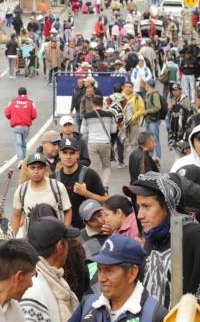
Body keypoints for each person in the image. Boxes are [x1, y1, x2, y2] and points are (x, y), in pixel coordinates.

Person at [123, 172, 200, 308]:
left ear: (167, 207)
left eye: (147, 206)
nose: (140, 215)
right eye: (138, 206)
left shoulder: (192, 236)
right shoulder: (153, 237)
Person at [68, 235, 169, 322]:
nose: (101, 279)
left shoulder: (155, 315)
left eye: (109, 271)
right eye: (99, 270)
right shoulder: (88, 304)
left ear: (132, 272)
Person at [21, 217, 80, 322]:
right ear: (60, 247)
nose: (68, 246)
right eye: (66, 241)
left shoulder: (49, 279)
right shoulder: (33, 288)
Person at [11, 153, 72, 236]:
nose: (36, 171)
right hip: (31, 240)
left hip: (55, 238)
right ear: (27, 169)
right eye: (32, 168)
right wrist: (12, 238)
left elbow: (68, 210)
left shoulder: (58, 187)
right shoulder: (21, 190)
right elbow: (16, 216)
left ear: (45, 169)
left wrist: (64, 233)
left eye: (40, 168)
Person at [56, 137, 108, 228]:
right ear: (59, 154)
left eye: (72, 153)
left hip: (86, 229)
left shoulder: (90, 174)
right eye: (65, 153)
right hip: (63, 228)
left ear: (78, 154)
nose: (68, 156)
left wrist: (86, 193)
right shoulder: (54, 178)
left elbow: (106, 200)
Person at [80, 95, 117, 189]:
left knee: (94, 166)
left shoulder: (87, 116)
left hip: (92, 143)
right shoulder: (110, 115)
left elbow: (82, 131)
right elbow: (113, 130)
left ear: (92, 104)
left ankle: (96, 186)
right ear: (102, 103)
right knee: (106, 166)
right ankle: (105, 185)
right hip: (105, 143)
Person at [4, 87, 38, 160]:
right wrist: (28, 119)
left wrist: (12, 118)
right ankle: (24, 158)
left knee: (18, 143)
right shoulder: (30, 102)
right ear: (26, 94)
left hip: (16, 126)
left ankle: (20, 159)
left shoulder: (12, 102)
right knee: (24, 143)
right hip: (26, 126)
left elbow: (7, 113)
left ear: (18, 94)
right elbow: (34, 115)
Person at [121, 81, 145, 161]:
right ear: (123, 88)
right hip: (123, 125)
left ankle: (134, 160)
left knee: (134, 143)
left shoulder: (137, 97)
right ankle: (122, 161)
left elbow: (141, 109)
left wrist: (133, 117)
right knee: (123, 142)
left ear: (132, 88)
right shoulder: (120, 97)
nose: (128, 88)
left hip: (134, 124)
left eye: (130, 87)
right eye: (126, 87)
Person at [143, 80, 164, 159]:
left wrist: (147, 111)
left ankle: (158, 157)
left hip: (153, 120)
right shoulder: (148, 94)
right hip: (149, 120)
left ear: (148, 85)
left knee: (155, 139)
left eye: (146, 85)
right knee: (149, 139)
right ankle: (150, 157)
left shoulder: (155, 95)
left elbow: (158, 107)